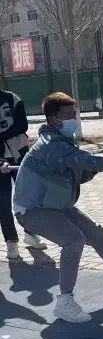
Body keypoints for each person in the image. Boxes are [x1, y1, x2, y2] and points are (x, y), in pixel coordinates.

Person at [12, 92, 103, 323]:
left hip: (57, 205)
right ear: (55, 120)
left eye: (75, 114)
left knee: (97, 234)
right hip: (31, 210)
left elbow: (79, 172)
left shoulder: (64, 141)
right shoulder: (50, 145)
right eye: (69, 116)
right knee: (73, 240)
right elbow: (84, 160)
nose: (74, 119)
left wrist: (91, 171)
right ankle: (65, 302)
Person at [0, 88, 48, 262]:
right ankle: (11, 242)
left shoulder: (12, 98)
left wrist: (3, 135)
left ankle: (31, 233)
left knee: (28, 197)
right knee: (3, 203)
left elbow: (22, 125)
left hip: (20, 154)